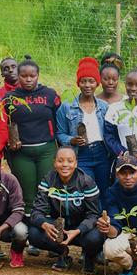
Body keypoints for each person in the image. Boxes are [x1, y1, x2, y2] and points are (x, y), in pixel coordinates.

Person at [28, 145, 103, 272]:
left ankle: (89, 257)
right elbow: (37, 211)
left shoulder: (86, 181)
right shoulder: (48, 180)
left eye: (70, 161)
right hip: (59, 228)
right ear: (54, 163)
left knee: (96, 237)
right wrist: (45, 224)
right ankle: (62, 252)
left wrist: (78, 230)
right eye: (60, 160)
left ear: (76, 163)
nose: (65, 165)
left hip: (81, 229)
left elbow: (94, 214)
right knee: (34, 233)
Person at [3, 57, 61, 214]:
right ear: (18, 76)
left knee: (46, 189)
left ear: (38, 75)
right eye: (24, 76)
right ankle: (28, 220)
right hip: (21, 152)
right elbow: (2, 124)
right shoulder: (9, 98)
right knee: (27, 192)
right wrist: (9, 142)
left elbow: (59, 118)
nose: (28, 79)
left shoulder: (50, 94)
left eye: (32, 76)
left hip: (47, 150)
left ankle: (45, 221)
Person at [56, 57, 111, 194]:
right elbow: (60, 133)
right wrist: (71, 140)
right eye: (83, 81)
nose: (87, 85)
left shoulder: (104, 107)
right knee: (86, 188)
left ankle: (103, 209)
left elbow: (110, 132)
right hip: (81, 155)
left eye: (91, 81)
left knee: (104, 190)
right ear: (78, 83)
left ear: (97, 83)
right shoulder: (67, 107)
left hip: (102, 153)